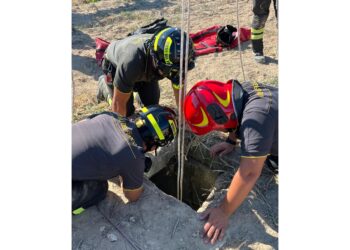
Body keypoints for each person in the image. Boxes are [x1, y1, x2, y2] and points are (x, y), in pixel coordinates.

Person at [184, 79, 278, 244]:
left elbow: (249, 173)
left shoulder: (257, 120)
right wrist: (230, 141)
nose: (216, 130)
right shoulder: (240, 95)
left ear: (221, 118)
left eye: (215, 128)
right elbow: (236, 118)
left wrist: (223, 211)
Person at [72, 105, 178, 215]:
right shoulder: (134, 155)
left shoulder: (111, 116)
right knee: (100, 189)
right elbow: (132, 196)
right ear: (153, 146)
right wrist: (129, 172)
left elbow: (83, 123)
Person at [97, 27, 196, 117]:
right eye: (172, 71)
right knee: (127, 113)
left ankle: (134, 91)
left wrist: (184, 118)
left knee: (152, 108)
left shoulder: (178, 60)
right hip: (115, 65)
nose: (176, 73)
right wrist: (121, 131)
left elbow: (180, 93)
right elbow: (118, 103)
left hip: (145, 68)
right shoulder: (130, 63)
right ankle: (104, 87)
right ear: (158, 62)